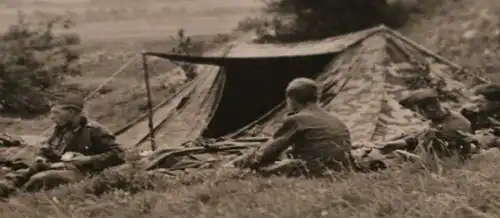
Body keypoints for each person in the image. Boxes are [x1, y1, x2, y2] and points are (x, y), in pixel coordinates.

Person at [230, 78, 355, 177]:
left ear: (291, 100)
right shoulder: (334, 119)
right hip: (341, 170)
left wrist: (238, 162)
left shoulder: (298, 119)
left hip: (314, 171)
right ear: (316, 98)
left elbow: (269, 151)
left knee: (257, 171)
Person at [5, 94, 125, 192]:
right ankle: (6, 189)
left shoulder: (94, 131)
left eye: (55, 113)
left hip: (81, 171)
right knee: (17, 175)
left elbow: (119, 154)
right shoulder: (61, 128)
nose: (51, 117)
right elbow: (47, 148)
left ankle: (17, 196)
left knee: (41, 178)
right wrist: (41, 157)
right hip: (56, 166)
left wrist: (87, 159)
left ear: (71, 112)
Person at [399, 88, 474, 158]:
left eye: (416, 111)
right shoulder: (440, 118)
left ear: (429, 109)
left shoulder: (455, 124)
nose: (417, 114)